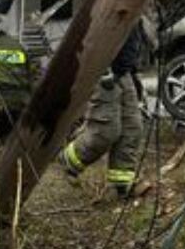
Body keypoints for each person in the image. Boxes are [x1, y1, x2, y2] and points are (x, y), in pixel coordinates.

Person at [59, 16, 150, 196]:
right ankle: (69, 160)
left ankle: (123, 183)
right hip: (103, 71)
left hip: (123, 73)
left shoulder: (138, 1)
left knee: (132, 128)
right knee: (105, 131)